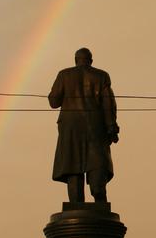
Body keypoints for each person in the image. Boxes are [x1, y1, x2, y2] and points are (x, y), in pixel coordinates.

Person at [49, 48, 119, 203]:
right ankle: (100, 202)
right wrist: (111, 127)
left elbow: (53, 102)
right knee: (97, 165)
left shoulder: (64, 75)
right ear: (91, 61)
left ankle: (76, 206)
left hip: (70, 129)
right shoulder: (101, 76)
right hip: (95, 128)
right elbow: (109, 104)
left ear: (76, 60)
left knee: (73, 168)